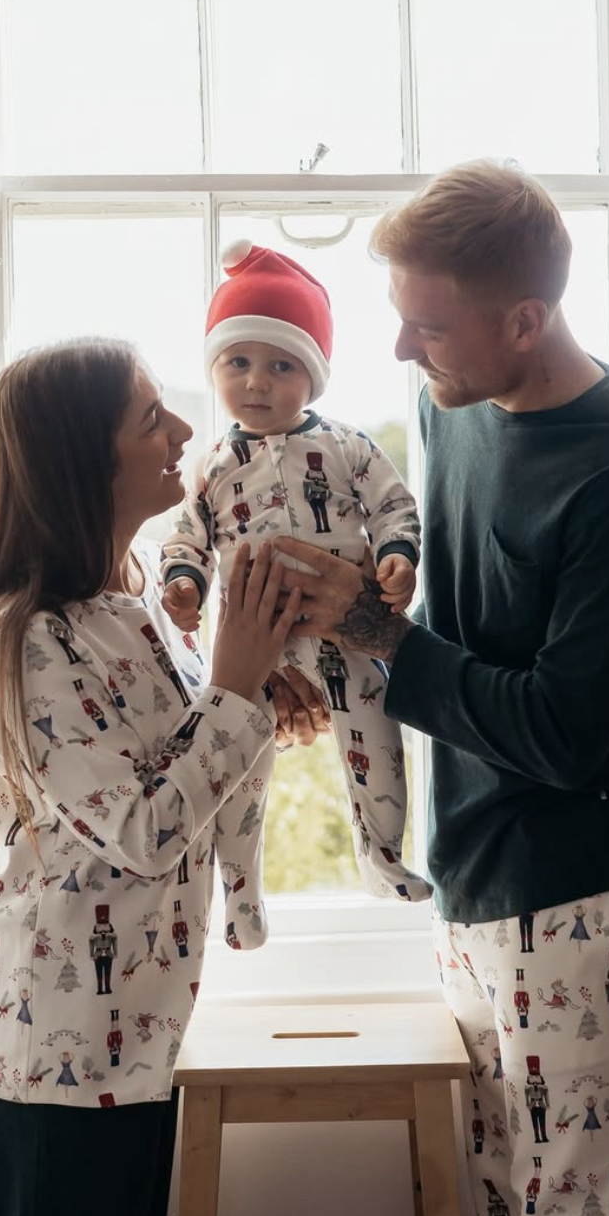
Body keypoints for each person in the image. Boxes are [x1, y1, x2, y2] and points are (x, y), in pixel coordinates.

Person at [273, 160, 609, 1216]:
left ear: (526, 318)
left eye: (430, 322)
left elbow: (569, 734)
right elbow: (455, 598)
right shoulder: (452, 402)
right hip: (468, 870)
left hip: (577, 887)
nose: (405, 349)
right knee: (519, 1210)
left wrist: (372, 627)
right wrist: (383, 584)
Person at [0, 337, 301, 1216]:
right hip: (57, 1044)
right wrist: (234, 693)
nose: (187, 433)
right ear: (81, 456)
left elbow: (194, 787)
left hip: (135, 1032)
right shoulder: (29, 636)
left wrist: (254, 698)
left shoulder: (135, 613)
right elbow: (148, 834)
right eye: (153, 417)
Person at [159, 240, 431, 907]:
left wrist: (397, 556)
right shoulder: (214, 464)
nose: (257, 382)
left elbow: (393, 504)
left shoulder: (345, 445)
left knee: (377, 749)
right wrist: (184, 584)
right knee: (242, 774)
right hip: (254, 647)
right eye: (238, 362)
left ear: (313, 375)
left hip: (350, 638)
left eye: (282, 365)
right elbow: (188, 535)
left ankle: (384, 857)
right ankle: (241, 896)